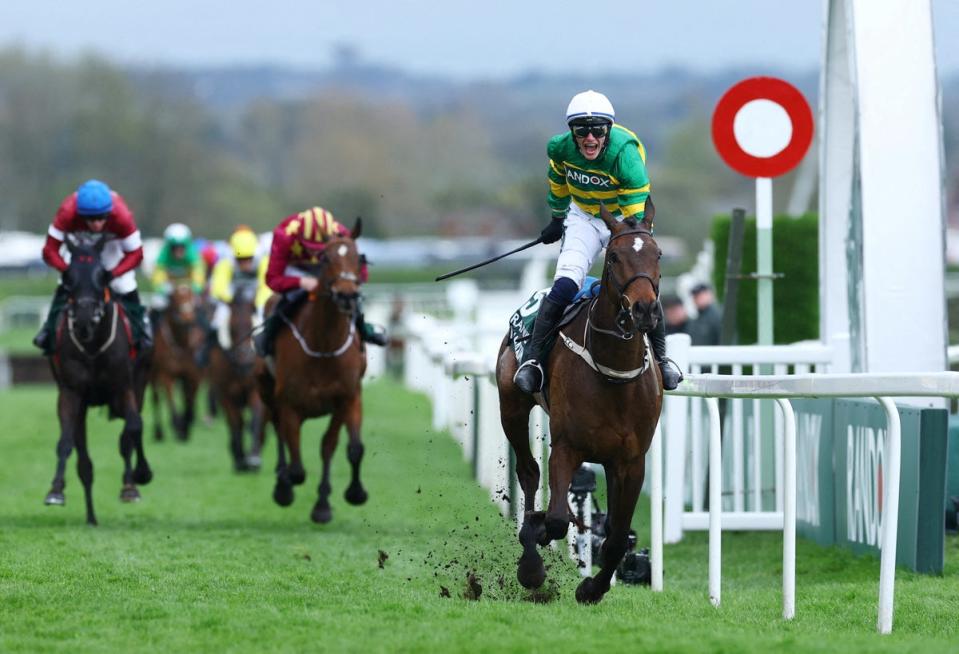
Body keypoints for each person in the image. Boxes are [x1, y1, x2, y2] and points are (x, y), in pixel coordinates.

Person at [513, 90, 684, 394]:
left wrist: (630, 243)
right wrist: (556, 218)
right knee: (565, 286)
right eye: (582, 130)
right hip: (583, 218)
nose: (590, 138)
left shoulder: (626, 154)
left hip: (626, 220)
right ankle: (533, 361)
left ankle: (662, 360)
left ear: (608, 130)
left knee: (642, 286)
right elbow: (557, 183)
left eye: (597, 130)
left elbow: (636, 215)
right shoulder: (560, 148)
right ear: (572, 132)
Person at [33, 179, 152, 354]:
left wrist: (114, 273)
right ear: (80, 214)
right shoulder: (67, 212)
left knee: (124, 284)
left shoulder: (122, 215)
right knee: (66, 285)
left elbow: (136, 254)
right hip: (79, 247)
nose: (96, 223)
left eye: (102, 218)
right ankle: (49, 331)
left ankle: (140, 330)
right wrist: (65, 270)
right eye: (90, 218)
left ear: (109, 213)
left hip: (112, 244)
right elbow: (49, 250)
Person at [254, 205, 387, 357]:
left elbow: (362, 274)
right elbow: (272, 279)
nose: (315, 253)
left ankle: (365, 329)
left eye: (319, 248)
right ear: (300, 234)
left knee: (348, 295)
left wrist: (347, 283)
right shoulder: (284, 234)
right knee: (292, 297)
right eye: (311, 247)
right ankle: (269, 332)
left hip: (328, 267)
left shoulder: (342, 234)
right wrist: (300, 282)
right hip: (296, 268)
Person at [202, 226, 270, 360]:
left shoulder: (263, 261)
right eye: (241, 260)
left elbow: (266, 285)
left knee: (265, 320)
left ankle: (266, 352)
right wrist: (230, 299)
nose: (245, 264)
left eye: (248, 259)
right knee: (217, 320)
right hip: (233, 302)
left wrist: (258, 302)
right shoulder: (226, 262)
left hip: (255, 300)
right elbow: (218, 286)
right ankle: (208, 353)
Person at [151, 223, 205, 304]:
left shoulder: (193, 255)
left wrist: (196, 286)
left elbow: (198, 270)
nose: (178, 250)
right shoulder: (164, 255)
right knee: (158, 303)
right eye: (175, 246)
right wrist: (161, 287)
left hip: (188, 287)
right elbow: (158, 272)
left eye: (182, 246)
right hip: (169, 287)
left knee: (198, 304)